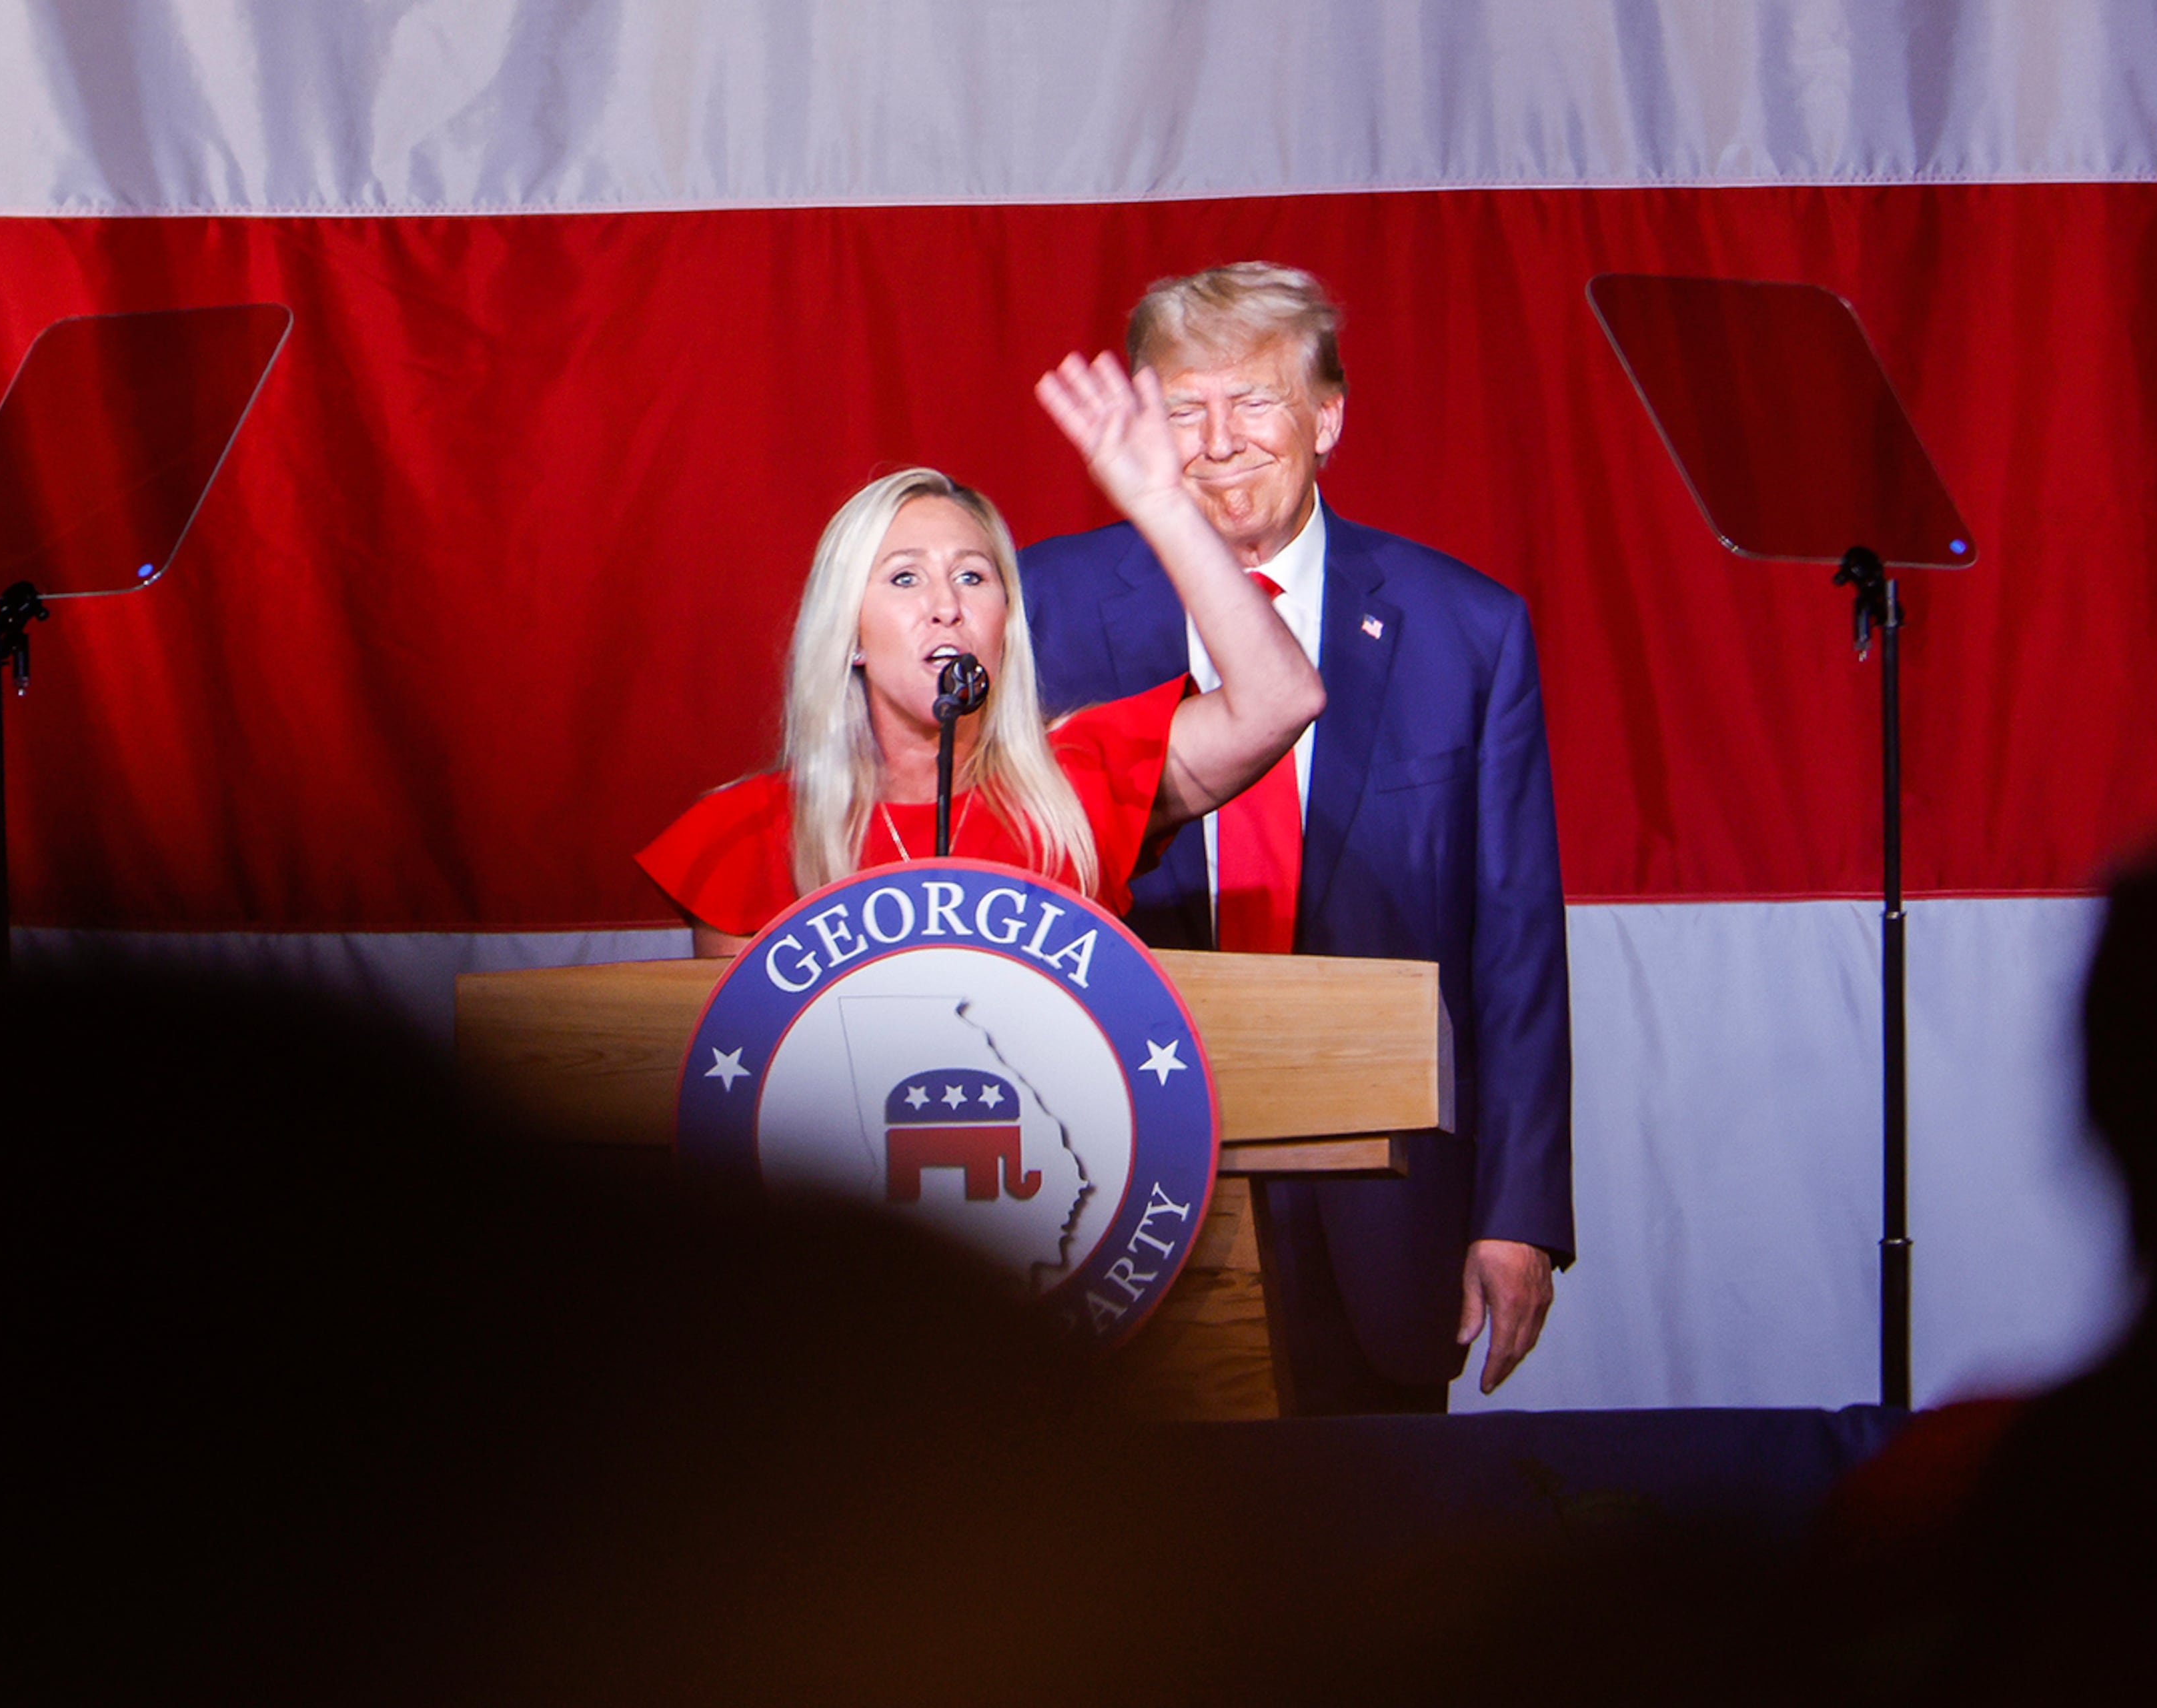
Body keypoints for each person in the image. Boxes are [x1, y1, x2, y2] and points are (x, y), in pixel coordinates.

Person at [1018, 262, 1574, 1413]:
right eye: (1182, 408)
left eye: (1253, 400)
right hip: (1110, 1173)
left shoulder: (1466, 630)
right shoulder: (1044, 606)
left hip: (1380, 1193)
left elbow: (1514, 950)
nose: (1217, 442)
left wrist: (1520, 1211)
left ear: (1328, 417)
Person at [638, 353, 1324, 955]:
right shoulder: (748, 834)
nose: (947, 604)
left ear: (1005, 623)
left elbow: (1282, 700)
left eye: (973, 575)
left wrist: (1163, 504)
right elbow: (741, 1076)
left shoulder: (1082, 781)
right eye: (905, 577)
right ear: (849, 636)